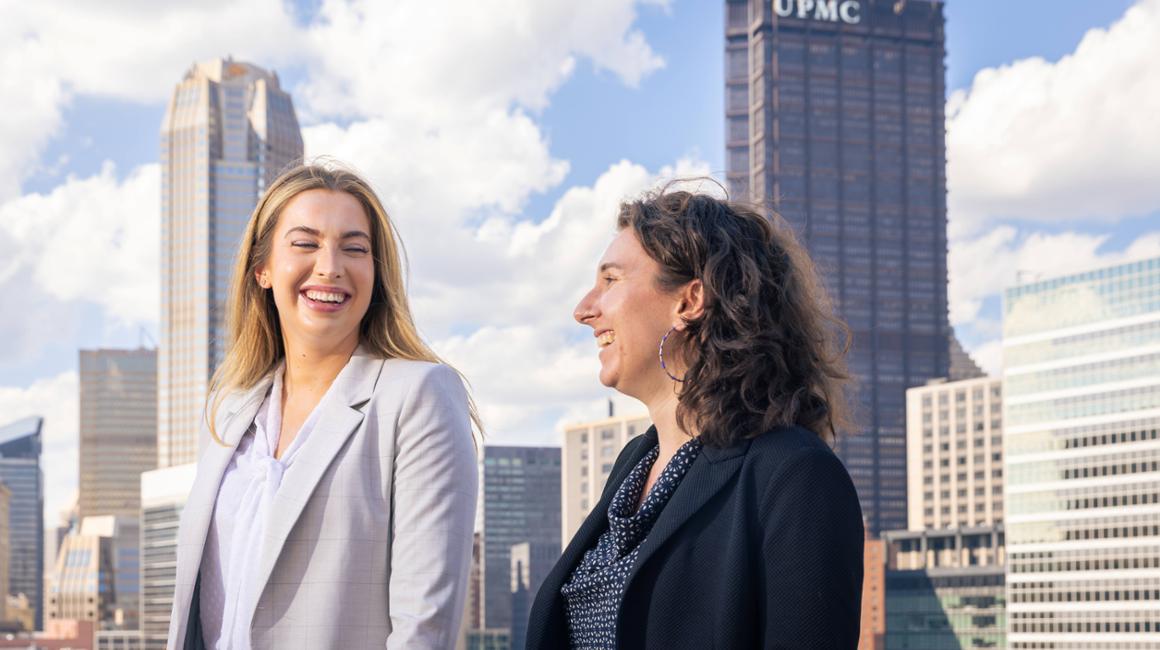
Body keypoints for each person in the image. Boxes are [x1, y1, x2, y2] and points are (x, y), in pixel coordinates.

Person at [525, 187, 865, 649]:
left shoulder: (794, 475)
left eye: (611, 280)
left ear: (689, 301)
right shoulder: (633, 467)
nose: (584, 309)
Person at [166, 163, 479, 649]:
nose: (330, 265)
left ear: (376, 273)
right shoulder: (227, 411)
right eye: (305, 243)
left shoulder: (419, 396)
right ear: (262, 269)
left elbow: (424, 628)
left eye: (354, 248)